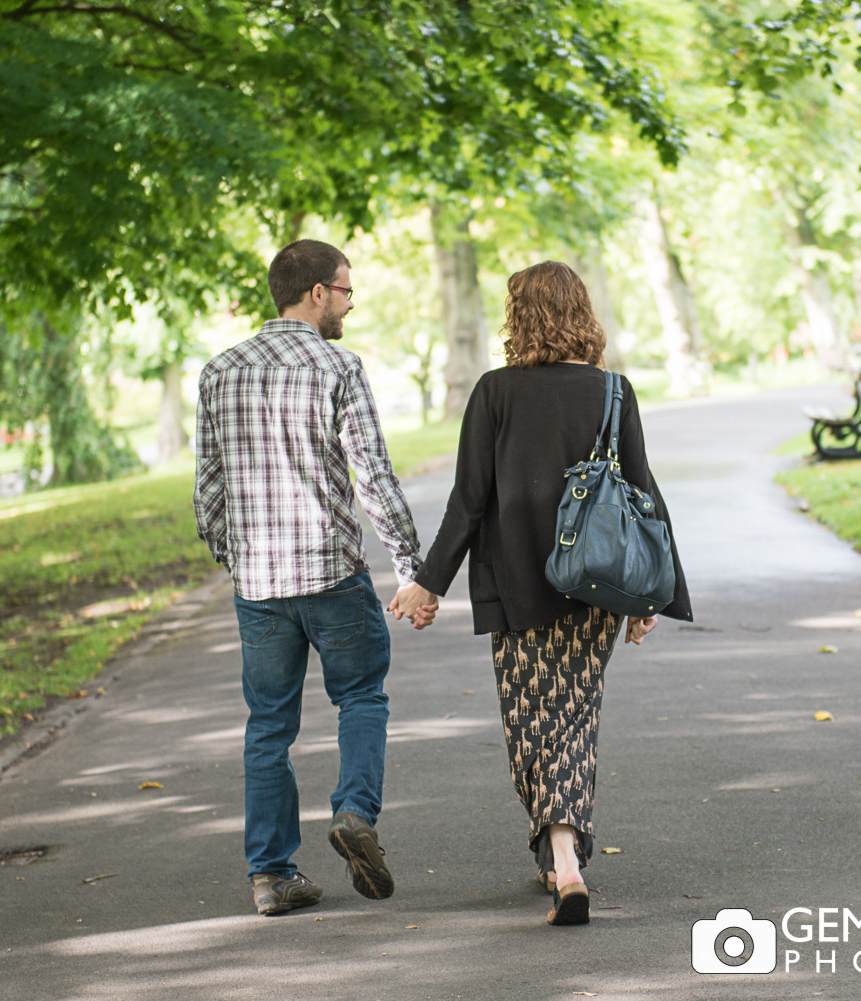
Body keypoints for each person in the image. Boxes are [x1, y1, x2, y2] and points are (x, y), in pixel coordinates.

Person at [390, 260, 691, 926]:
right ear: (581, 312)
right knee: (575, 716)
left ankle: (563, 859)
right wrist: (647, 596)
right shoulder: (614, 390)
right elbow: (642, 493)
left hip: (517, 585)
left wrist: (425, 583)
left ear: (519, 314)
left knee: (533, 720)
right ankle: (564, 856)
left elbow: (469, 502)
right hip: (594, 585)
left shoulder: (496, 392)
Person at [193, 239, 439, 917]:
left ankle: (271, 877)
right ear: (317, 293)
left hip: (260, 586)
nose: (349, 304)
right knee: (361, 695)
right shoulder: (337, 365)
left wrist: (236, 555)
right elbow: (374, 478)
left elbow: (208, 492)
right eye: (346, 291)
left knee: (268, 727)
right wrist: (413, 571)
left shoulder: (220, 371)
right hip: (331, 571)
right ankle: (355, 811)